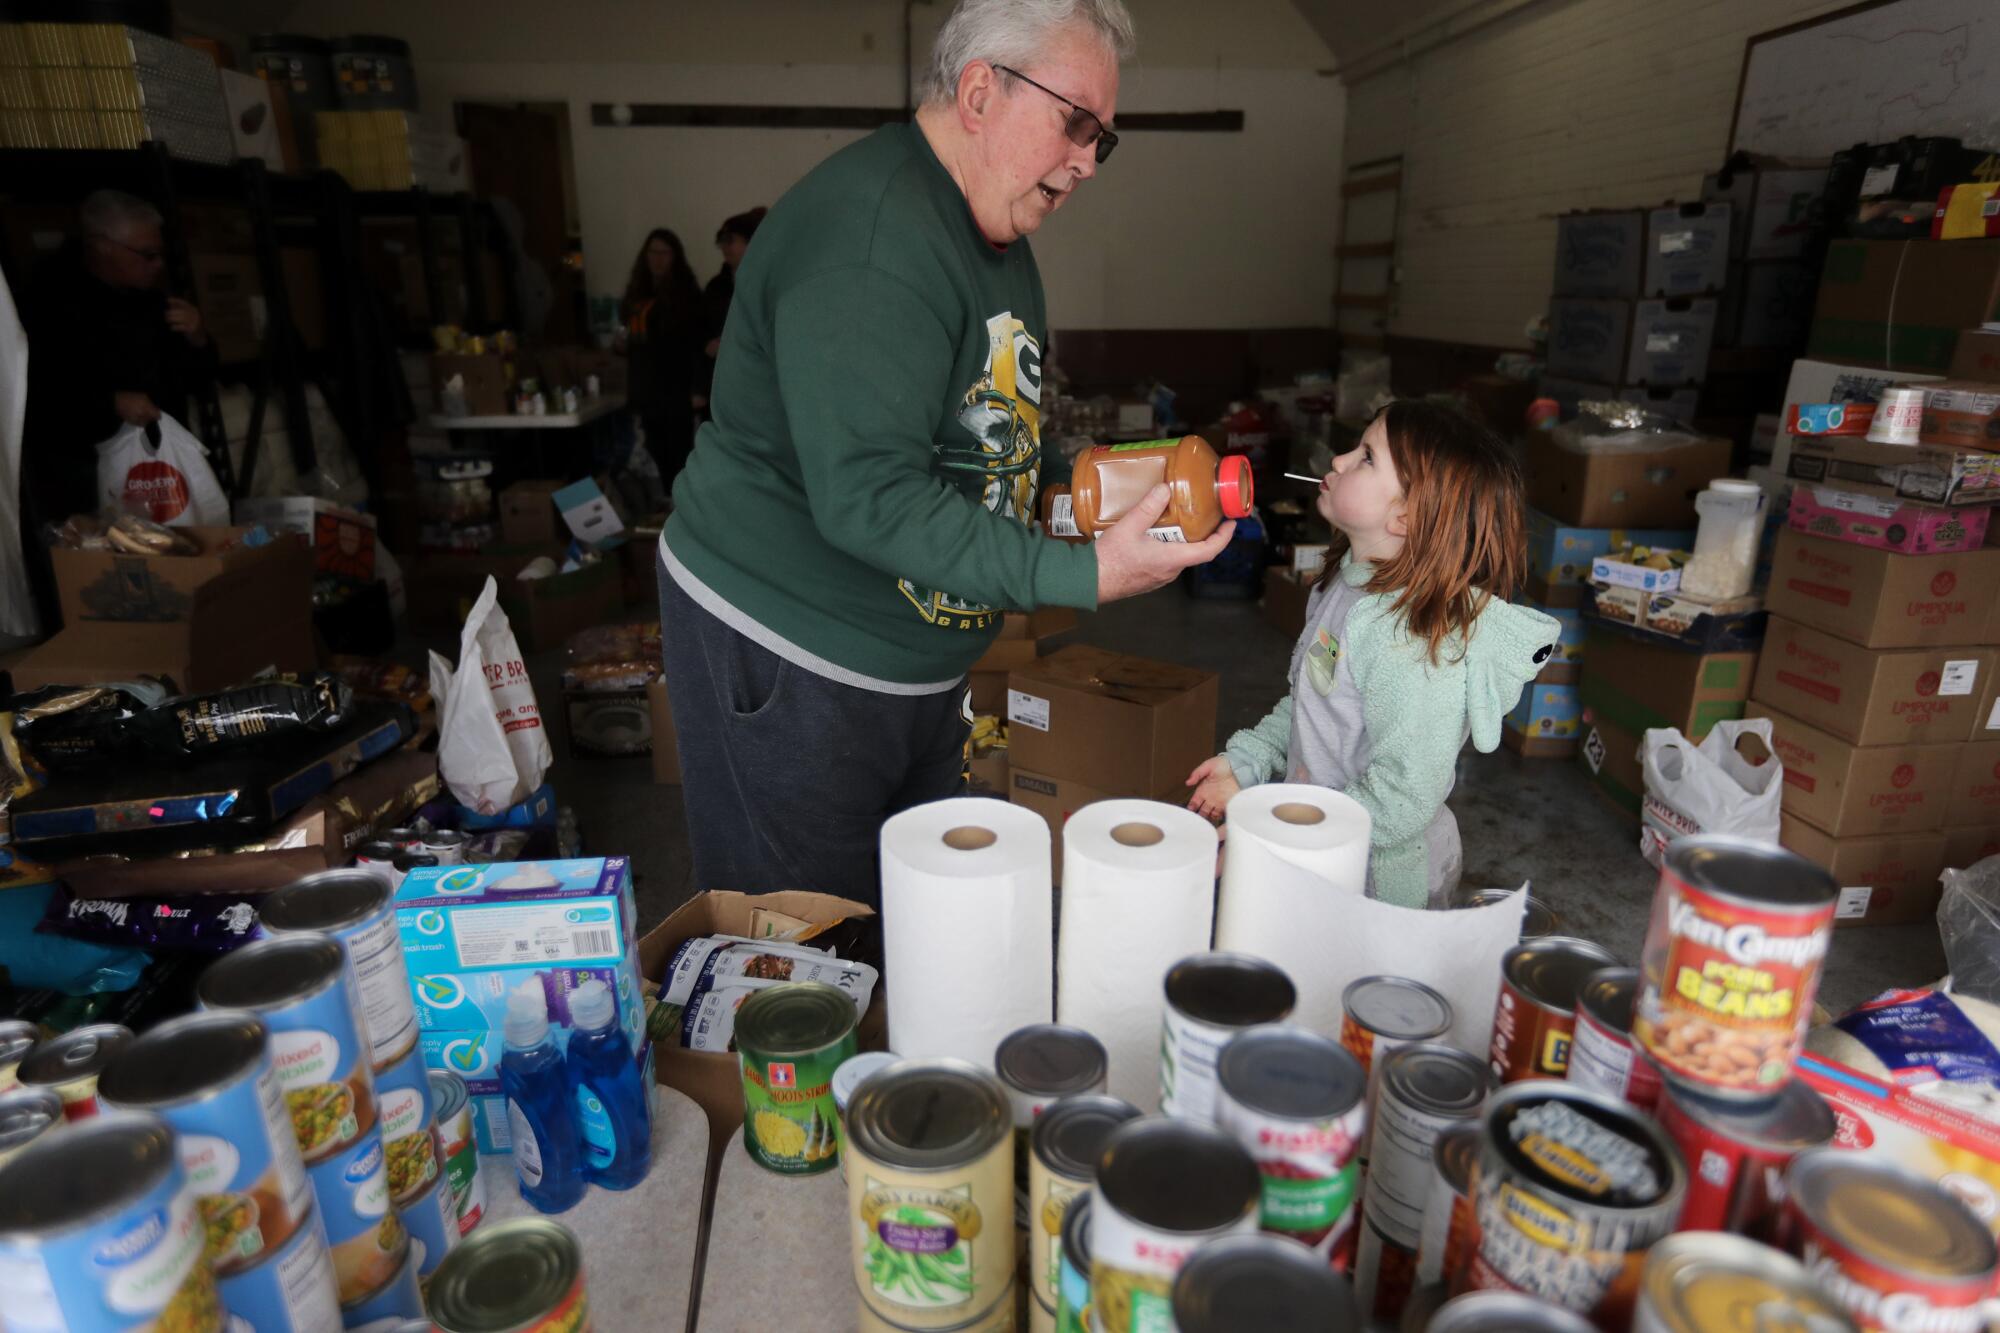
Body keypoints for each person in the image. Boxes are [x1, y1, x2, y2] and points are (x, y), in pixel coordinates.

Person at [657, 0, 1228, 909]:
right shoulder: (875, 240)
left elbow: (986, 437)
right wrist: (1084, 574)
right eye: (1076, 123)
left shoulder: (993, 230)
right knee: (800, 947)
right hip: (793, 652)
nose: (1086, 159)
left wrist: (1087, 499)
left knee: (906, 931)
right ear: (978, 92)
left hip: (914, 669)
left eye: (1103, 140)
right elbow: (870, 499)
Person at [1186, 400, 1560, 908]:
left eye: (1365, 457)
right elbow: (1310, 702)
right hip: (1318, 846)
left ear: (1407, 516)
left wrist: (1279, 837)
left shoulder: (1408, 640)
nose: (1338, 461)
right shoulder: (1342, 586)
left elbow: (1404, 796)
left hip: (1380, 885)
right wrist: (1249, 761)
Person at [20, 189, 214, 629]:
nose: (157, 265)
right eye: (146, 255)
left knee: (169, 561)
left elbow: (196, 376)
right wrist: (109, 403)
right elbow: (39, 393)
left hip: (152, 461)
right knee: (98, 576)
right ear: (103, 246)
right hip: (76, 469)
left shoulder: (152, 301)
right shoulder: (48, 300)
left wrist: (199, 337)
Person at [620, 228, 705, 494]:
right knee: (653, 452)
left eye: (664, 253)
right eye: (653, 252)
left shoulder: (686, 296)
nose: (657, 259)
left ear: (674, 257)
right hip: (645, 388)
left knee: (678, 455)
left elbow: (695, 345)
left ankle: (678, 511)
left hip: (675, 388)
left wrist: (698, 387)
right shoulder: (637, 295)